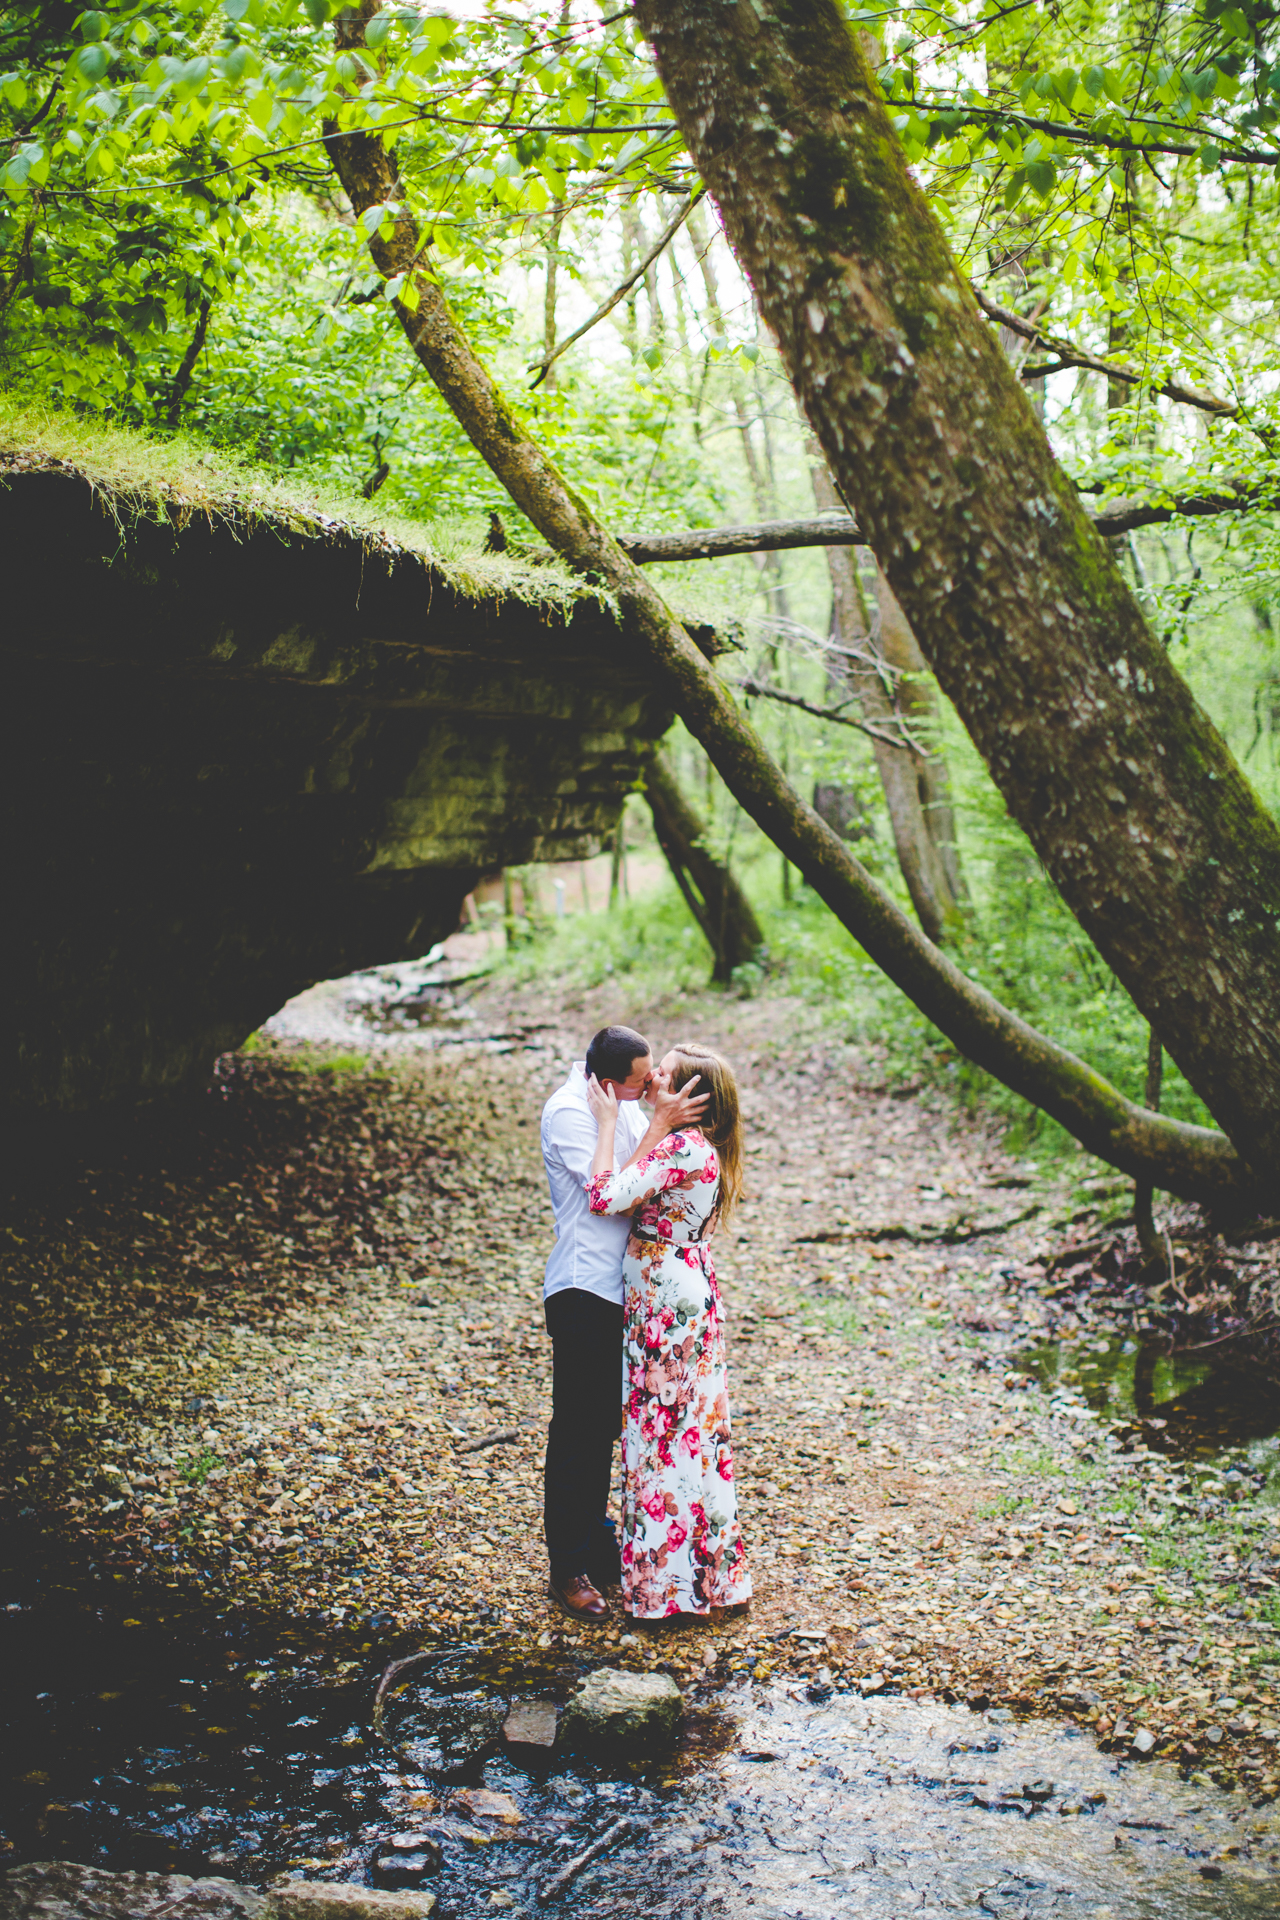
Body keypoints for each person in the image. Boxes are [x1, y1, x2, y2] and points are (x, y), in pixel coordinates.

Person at [539, 1024, 708, 1621]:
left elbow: (653, 1174)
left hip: (628, 1291)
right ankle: (568, 1567)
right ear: (610, 1083)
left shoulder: (626, 1104)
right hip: (584, 1288)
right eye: (643, 1081)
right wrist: (656, 1124)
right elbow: (612, 1193)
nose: (651, 1087)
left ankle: (598, 1539)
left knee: (608, 1424)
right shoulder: (570, 1112)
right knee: (578, 1431)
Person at [586, 1042, 752, 1620]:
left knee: (663, 1437)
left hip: (665, 1304)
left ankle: (666, 1592)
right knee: (692, 1434)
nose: (652, 1074)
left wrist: (608, 1124)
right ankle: (705, 1580)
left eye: (665, 1071)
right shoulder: (696, 1146)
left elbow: (606, 1194)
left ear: (688, 1096)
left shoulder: (680, 1147)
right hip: (685, 1292)